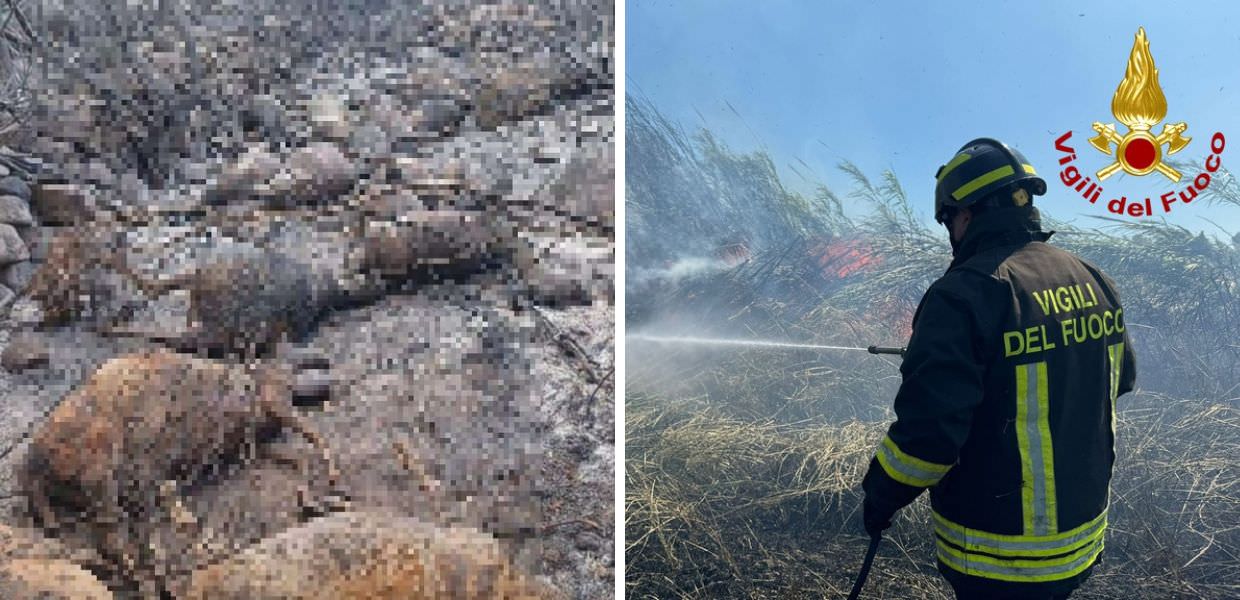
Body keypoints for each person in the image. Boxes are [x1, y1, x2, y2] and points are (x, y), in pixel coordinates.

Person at [860, 138, 1137, 599]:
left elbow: (927, 441)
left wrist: (880, 495)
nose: (951, 232)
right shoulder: (1094, 278)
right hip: (1079, 542)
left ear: (965, 213)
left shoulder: (963, 294)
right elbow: (1118, 381)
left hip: (1000, 556)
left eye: (949, 219)